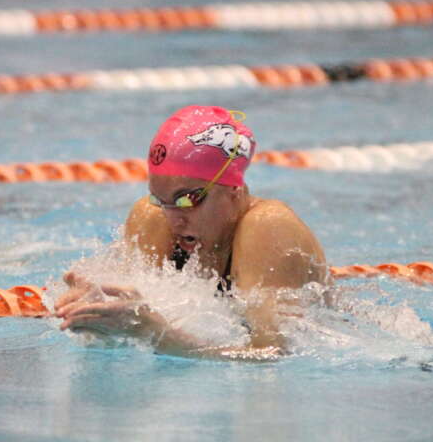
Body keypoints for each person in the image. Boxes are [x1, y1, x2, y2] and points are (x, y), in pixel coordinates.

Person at [55, 105, 330, 359]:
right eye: (161, 200)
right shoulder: (153, 218)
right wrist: (97, 317)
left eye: (187, 200)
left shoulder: (268, 228)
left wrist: (156, 334)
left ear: (233, 191)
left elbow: (272, 355)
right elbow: (133, 317)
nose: (174, 219)